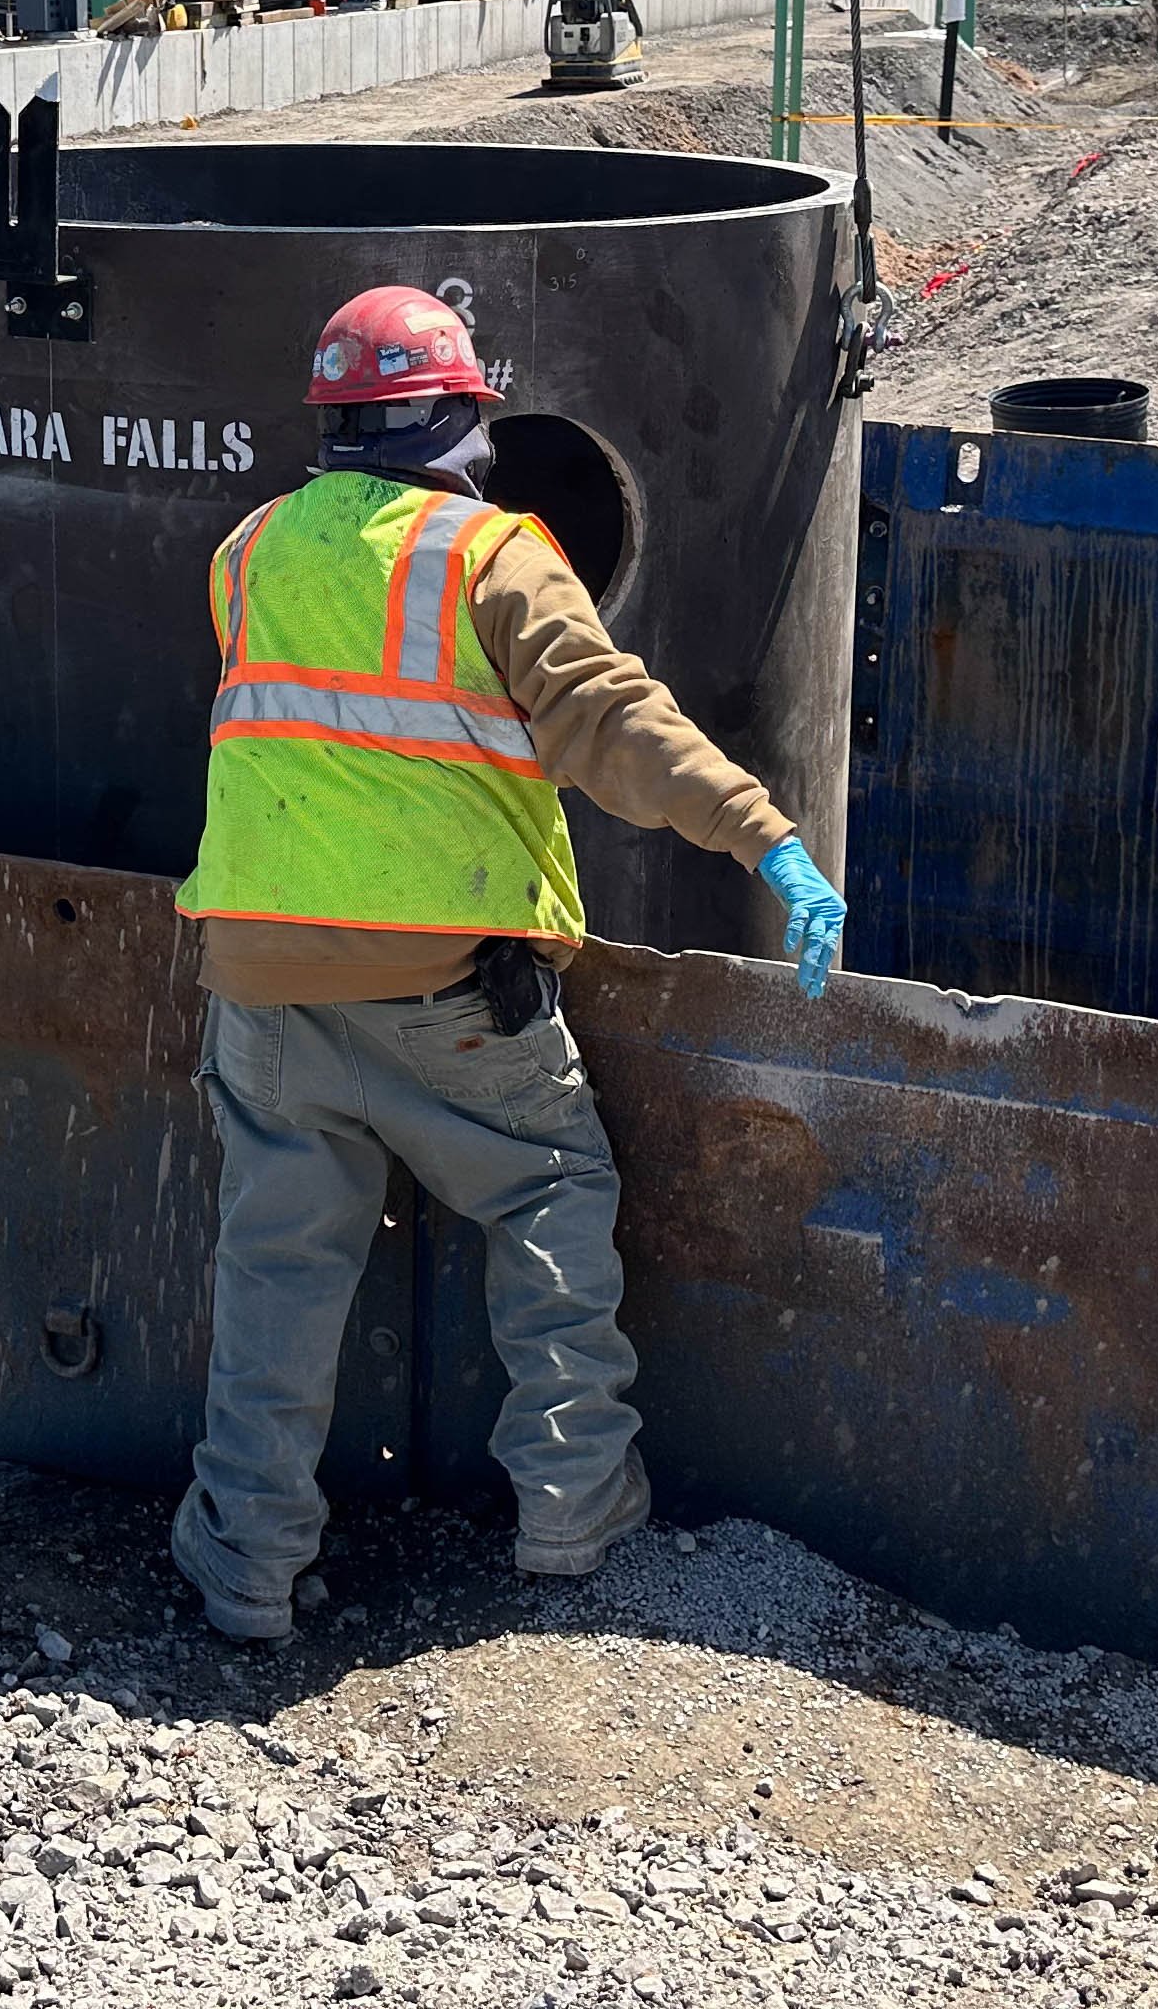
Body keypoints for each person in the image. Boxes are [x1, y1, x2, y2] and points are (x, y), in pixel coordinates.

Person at [165, 286, 847, 1642]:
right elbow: (609, 721)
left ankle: (247, 1565)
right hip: (442, 987)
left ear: (334, 427)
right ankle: (573, 1510)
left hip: (256, 983)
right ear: (456, 417)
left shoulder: (244, 553)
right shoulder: (493, 556)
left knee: (276, 1267)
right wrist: (762, 836)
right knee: (547, 1192)